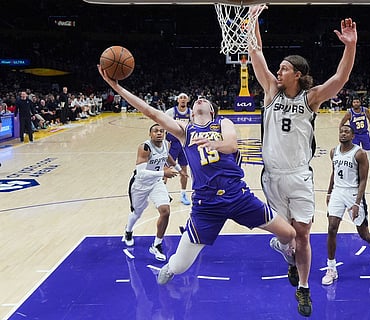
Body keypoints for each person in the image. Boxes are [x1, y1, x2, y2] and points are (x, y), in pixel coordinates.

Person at [98, 65, 296, 292]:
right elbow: (151, 112)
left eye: (205, 100)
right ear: (191, 113)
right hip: (206, 205)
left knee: (289, 234)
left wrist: (214, 144)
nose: (200, 100)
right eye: (196, 101)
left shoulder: (223, 124)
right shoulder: (185, 131)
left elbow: (231, 145)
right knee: (179, 267)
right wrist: (117, 88)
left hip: (238, 196)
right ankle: (170, 267)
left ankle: (285, 252)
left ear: (212, 111)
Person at [248, 5, 357, 317]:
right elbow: (256, 52)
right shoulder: (270, 90)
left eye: (284, 68)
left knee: (304, 235)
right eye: (278, 68)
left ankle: (304, 289)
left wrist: (350, 46)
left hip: (299, 175)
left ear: (298, 73)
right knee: (289, 237)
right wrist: (254, 20)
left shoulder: (311, 98)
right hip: (271, 176)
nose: (278, 71)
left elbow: (341, 77)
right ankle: (287, 254)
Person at [322, 125, 370, 286]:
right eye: (341, 131)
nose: (343, 133)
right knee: (331, 228)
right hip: (337, 192)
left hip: (353, 193)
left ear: (353, 135)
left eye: (346, 131)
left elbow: (363, 180)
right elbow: (334, 173)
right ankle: (331, 268)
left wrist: (356, 203)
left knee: (363, 233)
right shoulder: (333, 152)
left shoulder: (359, 154)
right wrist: (329, 193)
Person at [123, 123, 185, 261]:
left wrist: (180, 170)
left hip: (156, 183)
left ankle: (156, 245)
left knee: (165, 211)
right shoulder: (144, 147)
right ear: (150, 134)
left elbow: (167, 156)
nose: (159, 133)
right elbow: (141, 173)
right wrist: (163, 172)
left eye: (161, 131)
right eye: (155, 131)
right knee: (137, 212)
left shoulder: (165, 144)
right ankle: (128, 231)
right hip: (140, 184)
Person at [339, 96, 370, 178]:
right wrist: (341, 134)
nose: (356, 104)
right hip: (354, 135)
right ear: (352, 103)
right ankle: (353, 171)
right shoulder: (349, 113)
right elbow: (341, 123)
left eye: (357, 102)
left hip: (364, 134)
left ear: (360, 103)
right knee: (354, 154)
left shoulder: (365, 110)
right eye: (354, 102)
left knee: (369, 152)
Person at [165, 93, 192, 205]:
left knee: (184, 170)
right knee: (166, 169)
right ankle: (162, 193)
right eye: (181, 98)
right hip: (173, 143)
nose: (183, 100)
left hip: (184, 144)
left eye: (185, 98)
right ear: (177, 100)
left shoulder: (191, 113)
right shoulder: (171, 112)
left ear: (188, 100)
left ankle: (183, 194)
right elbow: (164, 125)